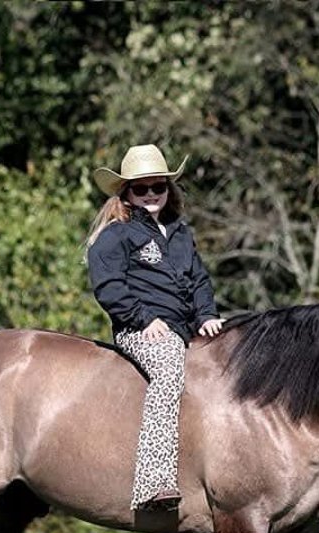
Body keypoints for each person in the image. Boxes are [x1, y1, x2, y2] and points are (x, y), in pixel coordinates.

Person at [84, 144, 225, 512]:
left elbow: (199, 280)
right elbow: (109, 287)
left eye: (158, 187)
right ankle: (153, 482)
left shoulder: (180, 233)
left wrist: (207, 315)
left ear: (168, 189)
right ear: (126, 193)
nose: (150, 195)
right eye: (141, 188)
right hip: (140, 329)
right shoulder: (116, 235)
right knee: (167, 369)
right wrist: (144, 319)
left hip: (184, 327)